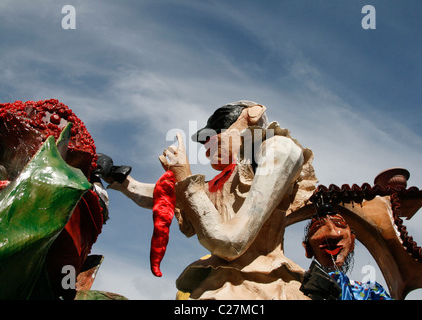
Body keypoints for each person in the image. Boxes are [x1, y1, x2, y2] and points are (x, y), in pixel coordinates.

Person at [158, 100, 316, 299]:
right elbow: (162, 195)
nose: (206, 141)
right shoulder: (224, 181)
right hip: (222, 283)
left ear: (251, 116)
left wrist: (185, 180)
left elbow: (231, 244)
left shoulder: (279, 149)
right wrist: (121, 180)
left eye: (216, 129)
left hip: (263, 287)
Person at [302, 203, 392, 300]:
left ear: (352, 241)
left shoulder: (372, 292)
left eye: (339, 224)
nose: (333, 233)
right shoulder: (295, 288)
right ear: (308, 248)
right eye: (318, 226)